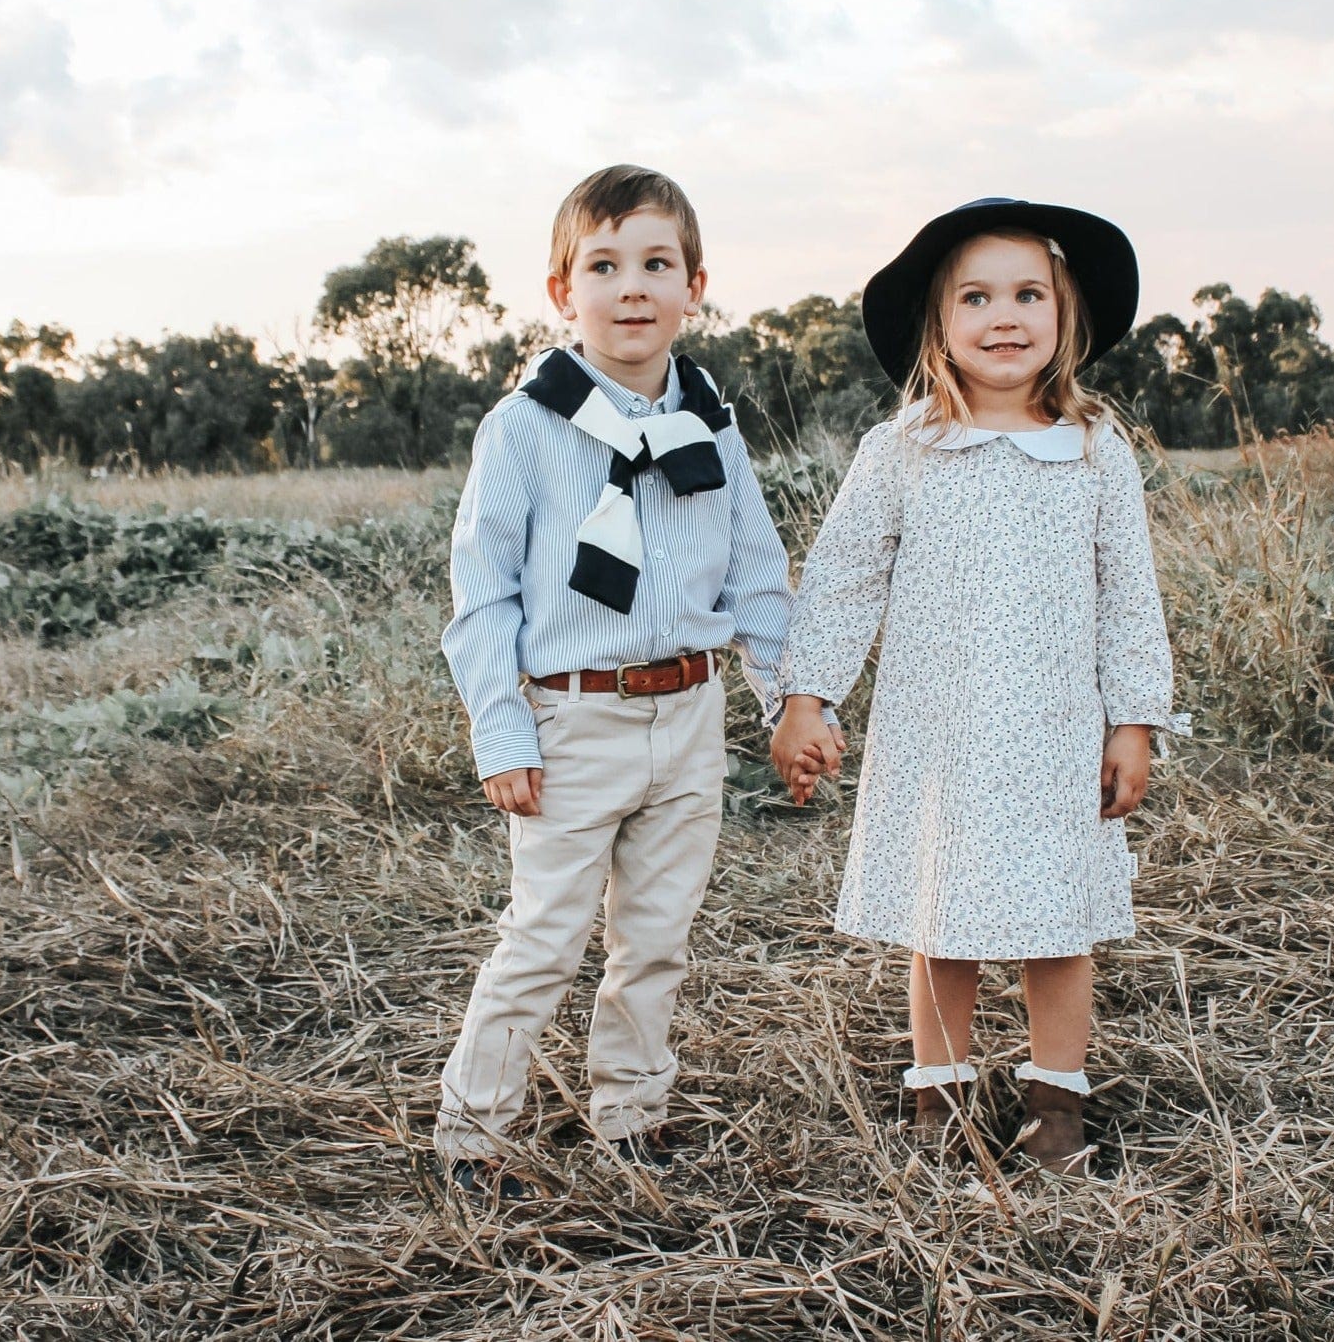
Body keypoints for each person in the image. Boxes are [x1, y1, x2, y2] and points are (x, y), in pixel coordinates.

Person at [436, 164, 838, 1196]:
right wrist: (502, 731)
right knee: (542, 937)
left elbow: (755, 572)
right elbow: (481, 594)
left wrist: (785, 699)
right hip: (573, 717)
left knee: (654, 937)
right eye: (603, 266)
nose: (630, 287)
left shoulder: (712, 424)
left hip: (688, 713)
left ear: (693, 284)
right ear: (561, 291)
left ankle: (629, 1116)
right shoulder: (522, 426)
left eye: (655, 264)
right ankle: (471, 1138)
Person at [772, 198, 1186, 1176]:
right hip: (937, 732)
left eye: (1027, 294)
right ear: (939, 325)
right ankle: (939, 1097)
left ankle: (1055, 1105)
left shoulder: (1094, 450)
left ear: (1064, 315)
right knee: (938, 920)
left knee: (1060, 924)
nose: (1004, 316)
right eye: (976, 296)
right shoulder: (902, 448)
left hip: (1053, 731)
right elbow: (843, 575)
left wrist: (1133, 720)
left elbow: (1130, 591)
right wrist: (807, 695)